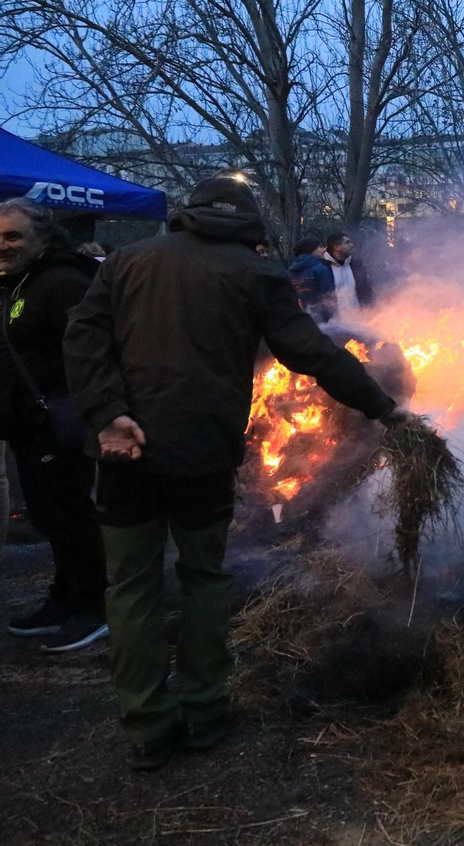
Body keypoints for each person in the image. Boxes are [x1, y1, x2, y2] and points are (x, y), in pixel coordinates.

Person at [64, 174, 400, 772]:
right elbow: (314, 354)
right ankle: (204, 709)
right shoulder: (256, 272)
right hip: (201, 454)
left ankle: (146, 726)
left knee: (131, 585)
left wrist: (109, 415)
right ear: (248, 224)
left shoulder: (126, 261)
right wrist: (385, 409)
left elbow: (83, 341)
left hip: (124, 453)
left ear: (188, 213)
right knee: (202, 577)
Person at [0, 200, 107, 653]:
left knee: (68, 513)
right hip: (26, 423)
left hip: (58, 422)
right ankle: (64, 599)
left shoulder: (63, 282)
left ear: (42, 237)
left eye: (13, 236)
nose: (3, 245)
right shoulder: (16, 282)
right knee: (48, 514)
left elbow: (94, 351)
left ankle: (93, 608)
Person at [323, 231, 373, 317]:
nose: (351, 245)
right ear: (337, 247)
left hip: (358, 320)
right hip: (334, 323)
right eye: (347, 242)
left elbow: (366, 291)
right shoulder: (323, 268)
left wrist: (369, 310)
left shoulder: (355, 266)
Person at [287, 237, 335, 322]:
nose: (324, 249)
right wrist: (333, 319)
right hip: (323, 321)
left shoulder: (290, 272)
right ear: (312, 250)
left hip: (300, 321)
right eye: (320, 247)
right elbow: (329, 297)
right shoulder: (321, 269)